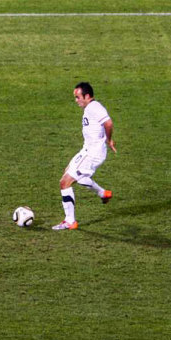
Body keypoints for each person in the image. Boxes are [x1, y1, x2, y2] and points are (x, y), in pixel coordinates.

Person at [54, 82, 116, 231]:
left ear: (87, 96)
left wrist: (109, 139)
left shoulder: (95, 107)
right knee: (70, 173)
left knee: (65, 183)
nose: (76, 100)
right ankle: (103, 193)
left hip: (92, 153)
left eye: (78, 97)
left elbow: (108, 123)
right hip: (86, 151)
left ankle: (70, 221)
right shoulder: (90, 108)